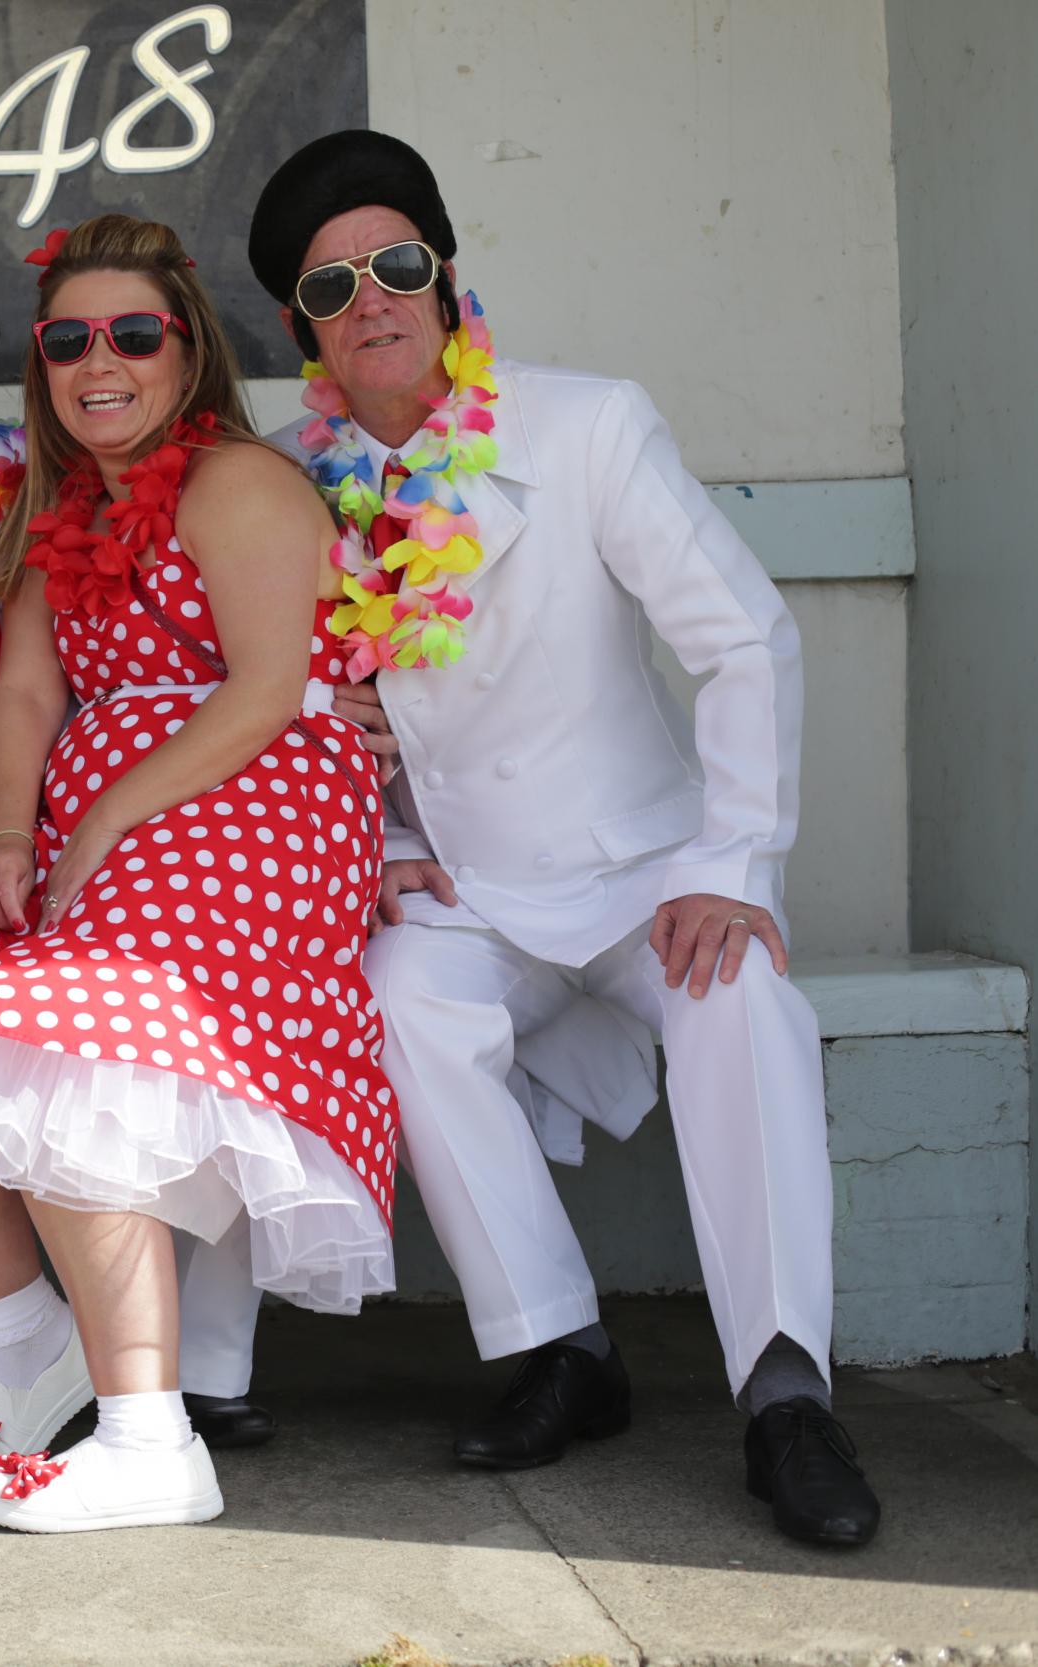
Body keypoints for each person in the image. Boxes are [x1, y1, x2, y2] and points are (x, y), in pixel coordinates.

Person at [247, 128, 880, 1548]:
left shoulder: (586, 424)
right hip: (466, 882)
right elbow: (282, 700)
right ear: (305, 330)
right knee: (402, 994)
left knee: (749, 999)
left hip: (645, 868)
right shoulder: (290, 478)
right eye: (333, 286)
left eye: (397, 263)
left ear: (448, 274)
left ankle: (786, 1391)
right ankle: (559, 1347)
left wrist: (733, 860)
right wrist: (371, 827)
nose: (373, 299)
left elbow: (743, 639)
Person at [0, 212, 395, 1533]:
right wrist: (5, 836)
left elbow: (272, 689)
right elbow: (29, 692)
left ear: (187, 350)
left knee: (64, 1031)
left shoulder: (236, 483)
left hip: (243, 803)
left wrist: (97, 822)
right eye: (68, 340)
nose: (98, 360)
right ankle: (24, 1335)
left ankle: (151, 1435)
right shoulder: (70, 510)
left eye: (132, 334)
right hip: (94, 815)